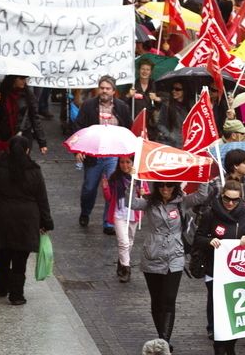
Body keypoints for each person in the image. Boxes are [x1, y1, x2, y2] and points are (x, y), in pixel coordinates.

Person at [0, 135, 54, 306]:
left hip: (2, 218)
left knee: (3, 254)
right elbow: (42, 199)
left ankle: (2, 286)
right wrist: (46, 222)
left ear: (8, 150)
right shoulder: (34, 172)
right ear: (27, 151)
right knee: (20, 259)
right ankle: (17, 294)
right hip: (26, 221)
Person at [130, 181, 209, 350]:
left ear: (175, 187)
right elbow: (131, 202)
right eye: (161, 186)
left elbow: (202, 195)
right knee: (157, 299)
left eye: (169, 186)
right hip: (152, 255)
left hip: (175, 256)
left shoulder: (182, 202)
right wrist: (131, 180)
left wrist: (204, 175)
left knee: (169, 299)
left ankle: (164, 341)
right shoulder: (149, 203)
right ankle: (162, 336)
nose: (165, 189)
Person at [195, 179, 245, 355]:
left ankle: (230, 346)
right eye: (227, 199)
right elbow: (198, 238)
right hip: (215, 269)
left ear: (240, 199)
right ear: (221, 196)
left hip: (237, 271)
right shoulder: (210, 213)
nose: (230, 203)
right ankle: (219, 344)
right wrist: (209, 240)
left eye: (235, 200)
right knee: (218, 307)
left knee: (233, 309)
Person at [74, 76, 133, 232]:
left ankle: (109, 221)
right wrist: (78, 150)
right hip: (94, 155)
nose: (104, 91)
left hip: (113, 155)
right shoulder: (88, 105)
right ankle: (85, 211)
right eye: (102, 88)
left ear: (113, 91)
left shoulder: (122, 107)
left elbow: (128, 128)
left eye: (108, 88)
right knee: (89, 188)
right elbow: (78, 126)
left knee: (112, 187)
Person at [102, 156, 142, 283]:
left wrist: (141, 191)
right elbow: (109, 198)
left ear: (132, 163)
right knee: (123, 242)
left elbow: (145, 195)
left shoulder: (139, 178)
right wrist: (105, 187)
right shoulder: (114, 178)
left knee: (129, 241)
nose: (125, 165)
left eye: (128, 162)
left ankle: (122, 261)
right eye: (122, 162)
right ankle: (126, 269)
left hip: (133, 213)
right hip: (119, 213)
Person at [0, 75, 47, 160]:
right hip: (5, 135)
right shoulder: (1, 93)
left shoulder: (28, 95)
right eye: (21, 79)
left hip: (23, 135)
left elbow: (35, 118)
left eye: (25, 79)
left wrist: (42, 142)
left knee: (22, 162)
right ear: (13, 79)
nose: (24, 81)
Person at [155, 81, 191, 148]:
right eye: (173, 88)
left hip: (185, 143)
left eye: (177, 89)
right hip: (170, 143)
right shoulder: (167, 105)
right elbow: (160, 124)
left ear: (184, 91)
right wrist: (170, 135)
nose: (174, 91)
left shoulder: (190, 106)